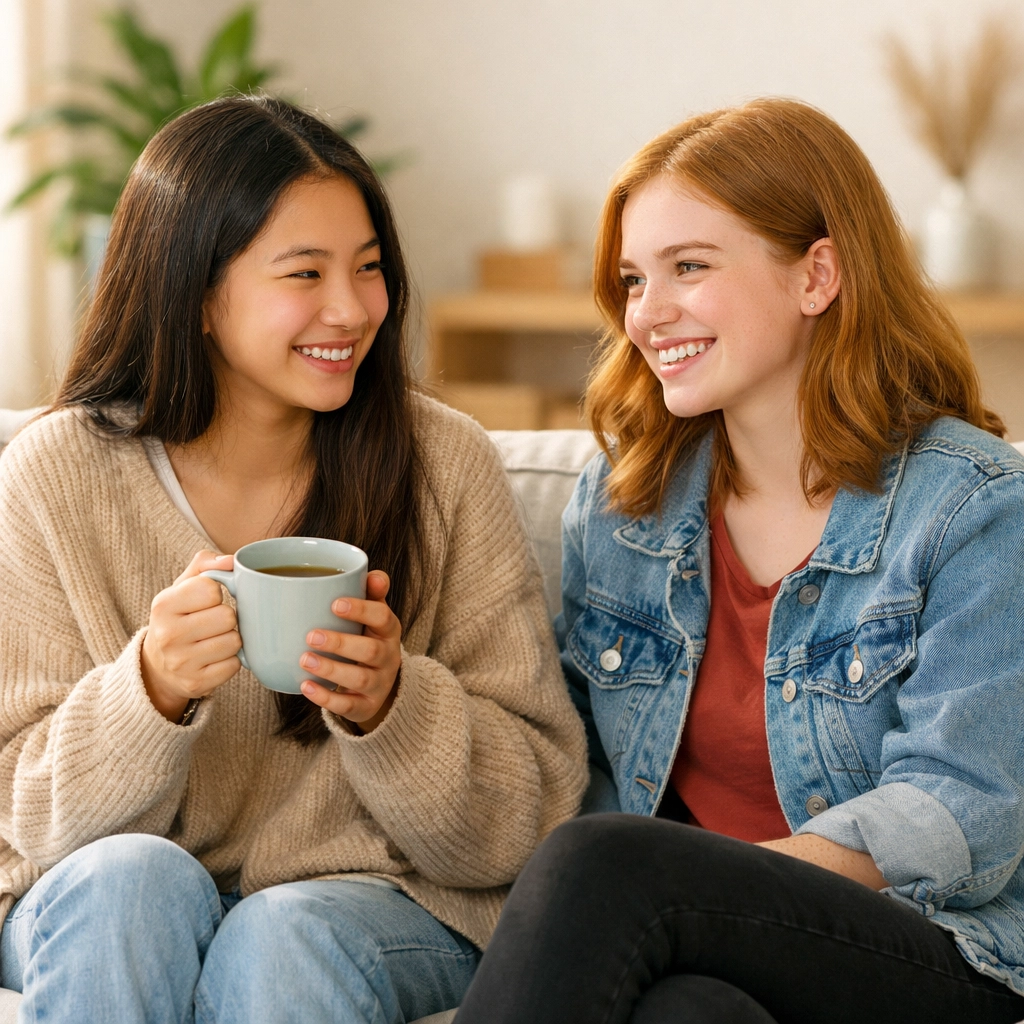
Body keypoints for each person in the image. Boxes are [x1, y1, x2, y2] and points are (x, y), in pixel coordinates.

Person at [0, 95, 587, 1023]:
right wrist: (146, 690)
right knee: (126, 884)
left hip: (365, 902)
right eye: (304, 273)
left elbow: (529, 822)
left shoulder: (444, 466)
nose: (352, 309)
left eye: (368, 268)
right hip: (110, 893)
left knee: (284, 935)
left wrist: (396, 706)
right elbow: (21, 819)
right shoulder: (52, 477)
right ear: (195, 293)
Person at [453, 98, 1024, 1024]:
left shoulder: (974, 508)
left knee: (604, 859)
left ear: (817, 276)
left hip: (937, 955)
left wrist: (702, 888)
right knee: (690, 1013)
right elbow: (574, 763)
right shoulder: (622, 502)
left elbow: (964, 808)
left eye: (689, 267)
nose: (648, 313)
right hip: (698, 942)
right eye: (634, 279)